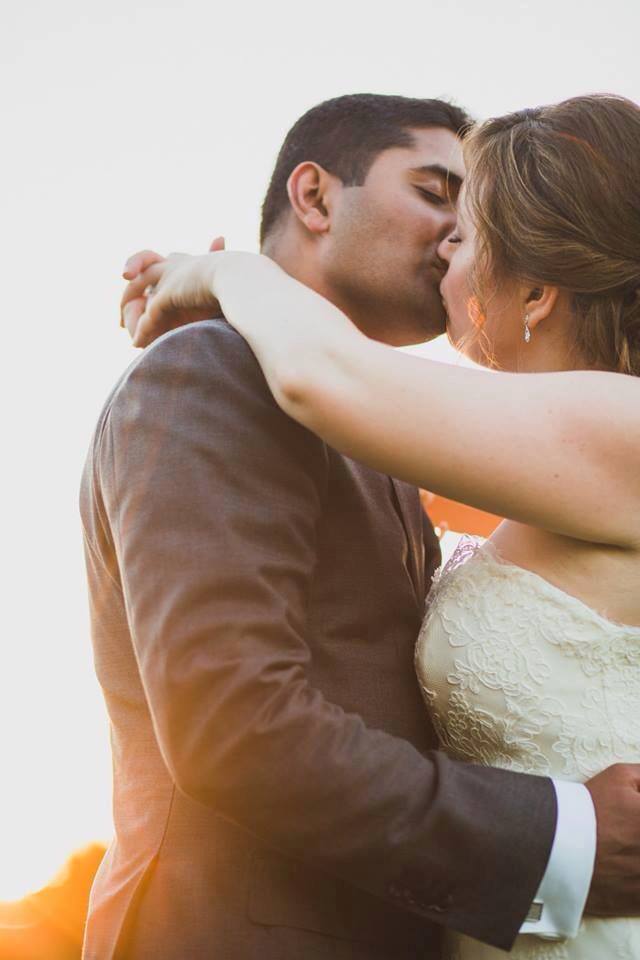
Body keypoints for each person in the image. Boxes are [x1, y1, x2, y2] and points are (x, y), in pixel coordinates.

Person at [84, 94, 640, 960]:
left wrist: (228, 274)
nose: (455, 236)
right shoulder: (210, 368)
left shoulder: (404, 437)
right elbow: (234, 722)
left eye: (472, 214)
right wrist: (554, 838)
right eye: (433, 192)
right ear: (314, 199)